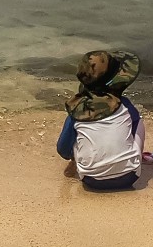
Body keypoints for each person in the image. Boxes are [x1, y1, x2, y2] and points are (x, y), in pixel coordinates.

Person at [56, 50, 144, 192]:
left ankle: (88, 161)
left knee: (77, 135)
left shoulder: (78, 111)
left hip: (90, 180)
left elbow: (62, 149)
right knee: (138, 121)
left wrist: (72, 155)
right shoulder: (124, 105)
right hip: (130, 176)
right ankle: (126, 156)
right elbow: (132, 128)